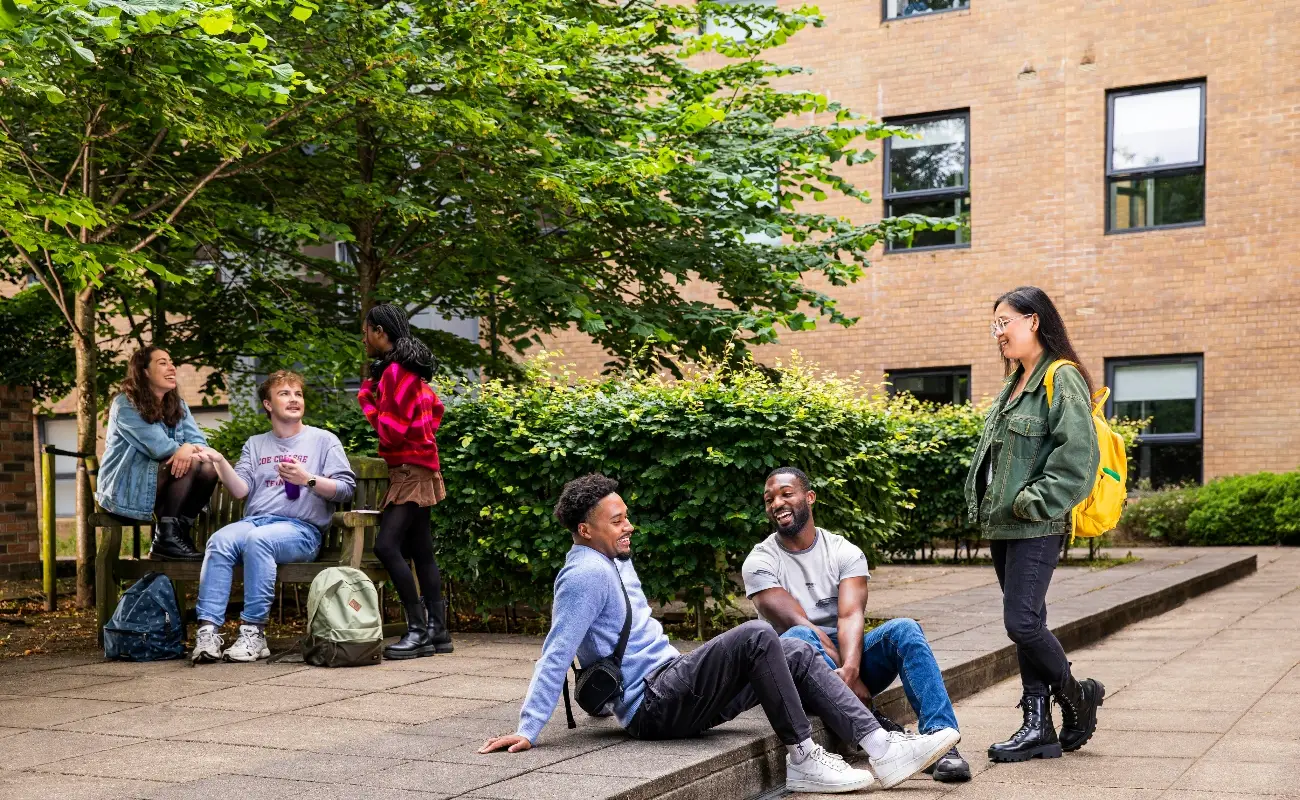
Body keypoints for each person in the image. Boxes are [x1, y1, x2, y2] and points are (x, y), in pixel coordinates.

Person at [479, 474, 960, 793]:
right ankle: (804, 757)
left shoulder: (611, 559)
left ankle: (883, 749)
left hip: (671, 684)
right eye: (617, 520)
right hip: (654, 703)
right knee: (755, 634)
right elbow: (556, 650)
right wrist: (527, 728)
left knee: (791, 650)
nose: (630, 525)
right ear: (585, 530)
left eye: (626, 515)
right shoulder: (584, 574)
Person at [742, 467, 971, 783]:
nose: (777, 503)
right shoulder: (760, 561)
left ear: (809, 497)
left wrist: (850, 670)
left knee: (904, 629)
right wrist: (849, 678)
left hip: (844, 657)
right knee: (797, 636)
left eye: (786, 493)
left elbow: (850, 616)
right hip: (796, 672)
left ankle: (942, 744)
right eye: (769, 499)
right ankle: (879, 732)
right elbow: (798, 622)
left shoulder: (842, 550)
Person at [963, 286, 1105, 762]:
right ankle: (1038, 726)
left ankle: (1077, 696)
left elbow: (1077, 459)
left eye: (1004, 322)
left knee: (1021, 622)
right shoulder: (1015, 383)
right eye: (995, 325)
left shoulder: (1060, 378)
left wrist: (1033, 502)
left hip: (1036, 524)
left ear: (1034, 321)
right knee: (1031, 622)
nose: (998, 333)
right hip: (1003, 527)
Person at [188, 371, 356, 663]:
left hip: (300, 531)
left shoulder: (323, 441)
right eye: (284, 394)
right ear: (268, 404)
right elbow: (240, 490)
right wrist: (219, 461)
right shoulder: (256, 444)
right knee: (219, 540)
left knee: (258, 540)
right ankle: (208, 632)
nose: (294, 399)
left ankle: (254, 632)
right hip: (255, 522)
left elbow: (345, 489)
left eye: (298, 394)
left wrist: (308, 480)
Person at [359, 304, 453, 659]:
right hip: (419, 466)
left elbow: (393, 432)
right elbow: (435, 408)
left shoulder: (396, 371)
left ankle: (417, 631)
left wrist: (368, 404)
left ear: (380, 331)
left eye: (366, 331)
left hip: (411, 469)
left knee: (387, 546)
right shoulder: (407, 370)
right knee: (422, 550)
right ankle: (438, 632)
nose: (364, 339)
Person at [96, 346, 219, 561]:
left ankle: (176, 533)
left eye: (172, 362)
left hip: (163, 486)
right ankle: (166, 539)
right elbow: (159, 446)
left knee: (208, 467)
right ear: (144, 371)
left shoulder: (178, 405)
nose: (172, 367)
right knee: (189, 463)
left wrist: (189, 447)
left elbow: (200, 443)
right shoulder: (125, 404)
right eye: (163, 363)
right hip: (128, 488)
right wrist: (186, 450)